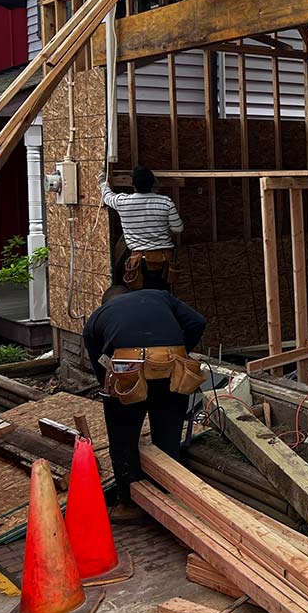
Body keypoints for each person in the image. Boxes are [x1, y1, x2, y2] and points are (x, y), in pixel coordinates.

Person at [83, 284, 206, 520]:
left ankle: (129, 504)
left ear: (106, 303)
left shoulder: (97, 318)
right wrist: (176, 353)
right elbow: (197, 323)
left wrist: (113, 389)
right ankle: (169, 496)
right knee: (168, 436)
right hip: (172, 368)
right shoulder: (159, 295)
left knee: (123, 438)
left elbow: (100, 368)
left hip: (128, 371)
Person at [98, 166, 183, 290]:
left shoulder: (122, 202)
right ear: (153, 183)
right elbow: (178, 228)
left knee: (141, 298)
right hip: (163, 262)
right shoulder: (165, 202)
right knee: (162, 298)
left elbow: (107, 196)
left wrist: (102, 180)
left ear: (132, 184)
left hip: (138, 263)